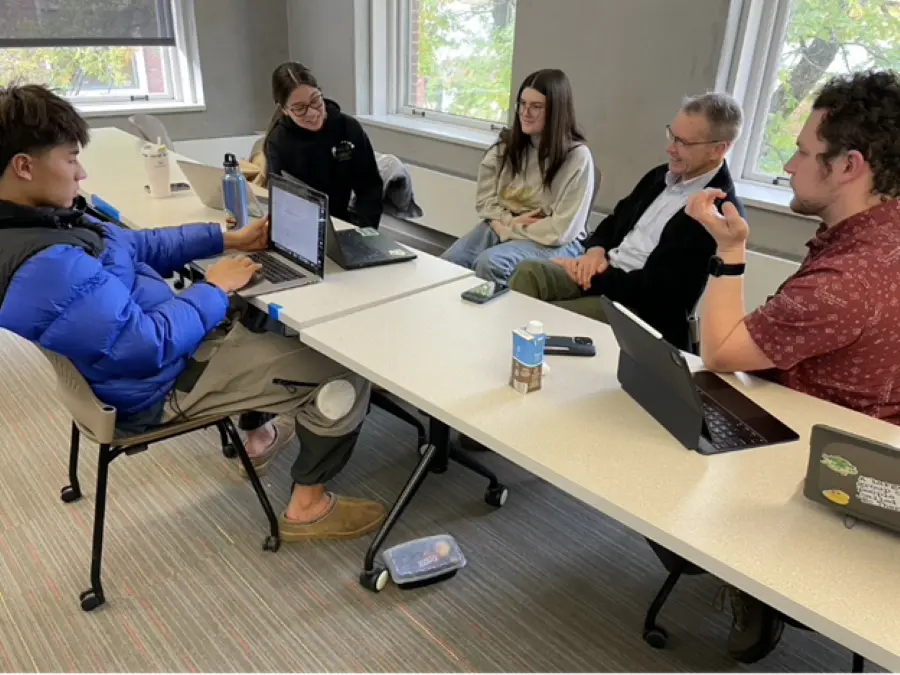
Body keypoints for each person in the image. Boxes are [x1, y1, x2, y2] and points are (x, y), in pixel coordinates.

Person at [0, 84, 386, 542]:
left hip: (153, 357)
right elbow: (144, 347)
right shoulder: (48, 267)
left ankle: (267, 431)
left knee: (265, 316)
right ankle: (308, 506)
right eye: (69, 159)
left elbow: (135, 244)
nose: (81, 172)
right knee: (343, 368)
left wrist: (228, 240)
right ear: (24, 166)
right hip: (159, 384)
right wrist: (213, 287)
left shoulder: (41, 222)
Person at [685, 70, 900, 663]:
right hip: (867, 438)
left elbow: (722, 350)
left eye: (803, 153)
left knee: (662, 446)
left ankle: (756, 586)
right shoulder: (878, 237)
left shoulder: (850, 281)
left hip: (825, 457)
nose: (787, 165)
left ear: (850, 165)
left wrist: (730, 251)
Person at [510, 92, 745, 351]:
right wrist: (595, 251)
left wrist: (592, 274)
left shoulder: (717, 214)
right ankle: (509, 357)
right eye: (672, 135)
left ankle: (527, 364)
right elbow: (612, 222)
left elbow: (657, 293)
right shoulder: (659, 177)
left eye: (683, 142)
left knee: (548, 317)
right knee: (529, 272)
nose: (670, 148)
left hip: (638, 309)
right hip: (604, 274)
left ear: (719, 149)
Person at [440, 69, 594, 285]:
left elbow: (561, 230)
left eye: (536, 107)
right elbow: (485, 203)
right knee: (448, 263)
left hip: (555, 242)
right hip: (503, 225)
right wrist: (507, 222)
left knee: (490, 263)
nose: (525, 112)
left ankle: (496, 318)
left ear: (556, 112)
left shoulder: (577, 157)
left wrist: (510, 228)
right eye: (522, 104)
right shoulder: (504, 148)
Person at [263, 61, 383, 229]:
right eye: (299, 108)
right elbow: (284, 201)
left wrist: (365, 231)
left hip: (343, 223)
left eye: (315, 101)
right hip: (304, 226)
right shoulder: (279, 142)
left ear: (321, 92)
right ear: (284, 109)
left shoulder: (348, 128)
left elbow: (370, 187)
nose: (312, 113)